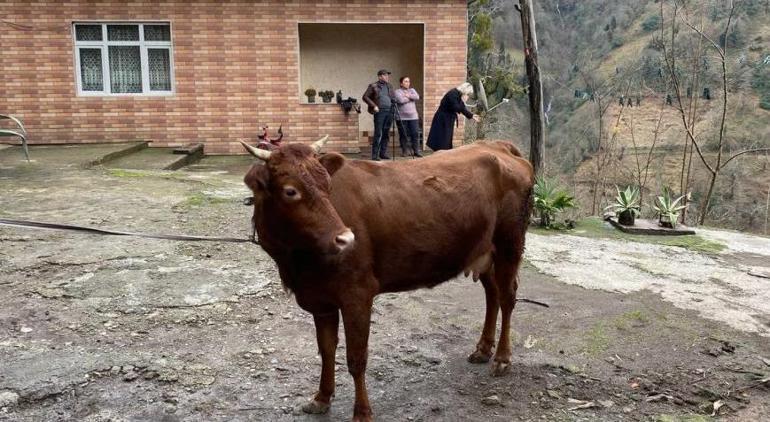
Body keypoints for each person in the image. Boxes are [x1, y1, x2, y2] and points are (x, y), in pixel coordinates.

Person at [426, 82, 480, 151]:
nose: (468, 96)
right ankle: (440, 157)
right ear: (465, 90)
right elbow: (456, 107)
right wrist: (463, 101)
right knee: (442, 141)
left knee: (446, 141)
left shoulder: (458, 94)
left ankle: (444, 157)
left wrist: (471, 115)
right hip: (442, 119)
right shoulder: (453, 94)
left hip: (448, 119)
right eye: (468, 93)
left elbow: (462, 109)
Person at [363, 69, 395, 160]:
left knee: (386, 133)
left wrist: (394, 104)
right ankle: (374, 155)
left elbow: (393, 97)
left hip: (389, 111)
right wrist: (374, 106)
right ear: (380, 76)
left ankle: (383, 153)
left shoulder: (389, 86)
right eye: (385, 75)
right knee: (378, 133)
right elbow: (365, 97)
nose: (387, 77)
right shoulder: (373, 86)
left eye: (387, 75)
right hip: (379, 112)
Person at [394, 76, 422, 157]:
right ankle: (405, 151)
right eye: (406, 81)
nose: (408, 83)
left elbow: (417, 97)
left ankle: (416, 151)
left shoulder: (412, 90)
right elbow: (400, 100)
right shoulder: (397, 91)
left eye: (408, 81)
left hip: (413, 117)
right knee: (403, 134)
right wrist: (410, 97)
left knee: (415, 133)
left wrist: (408, 96)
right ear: (401, 83)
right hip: (401, 118)